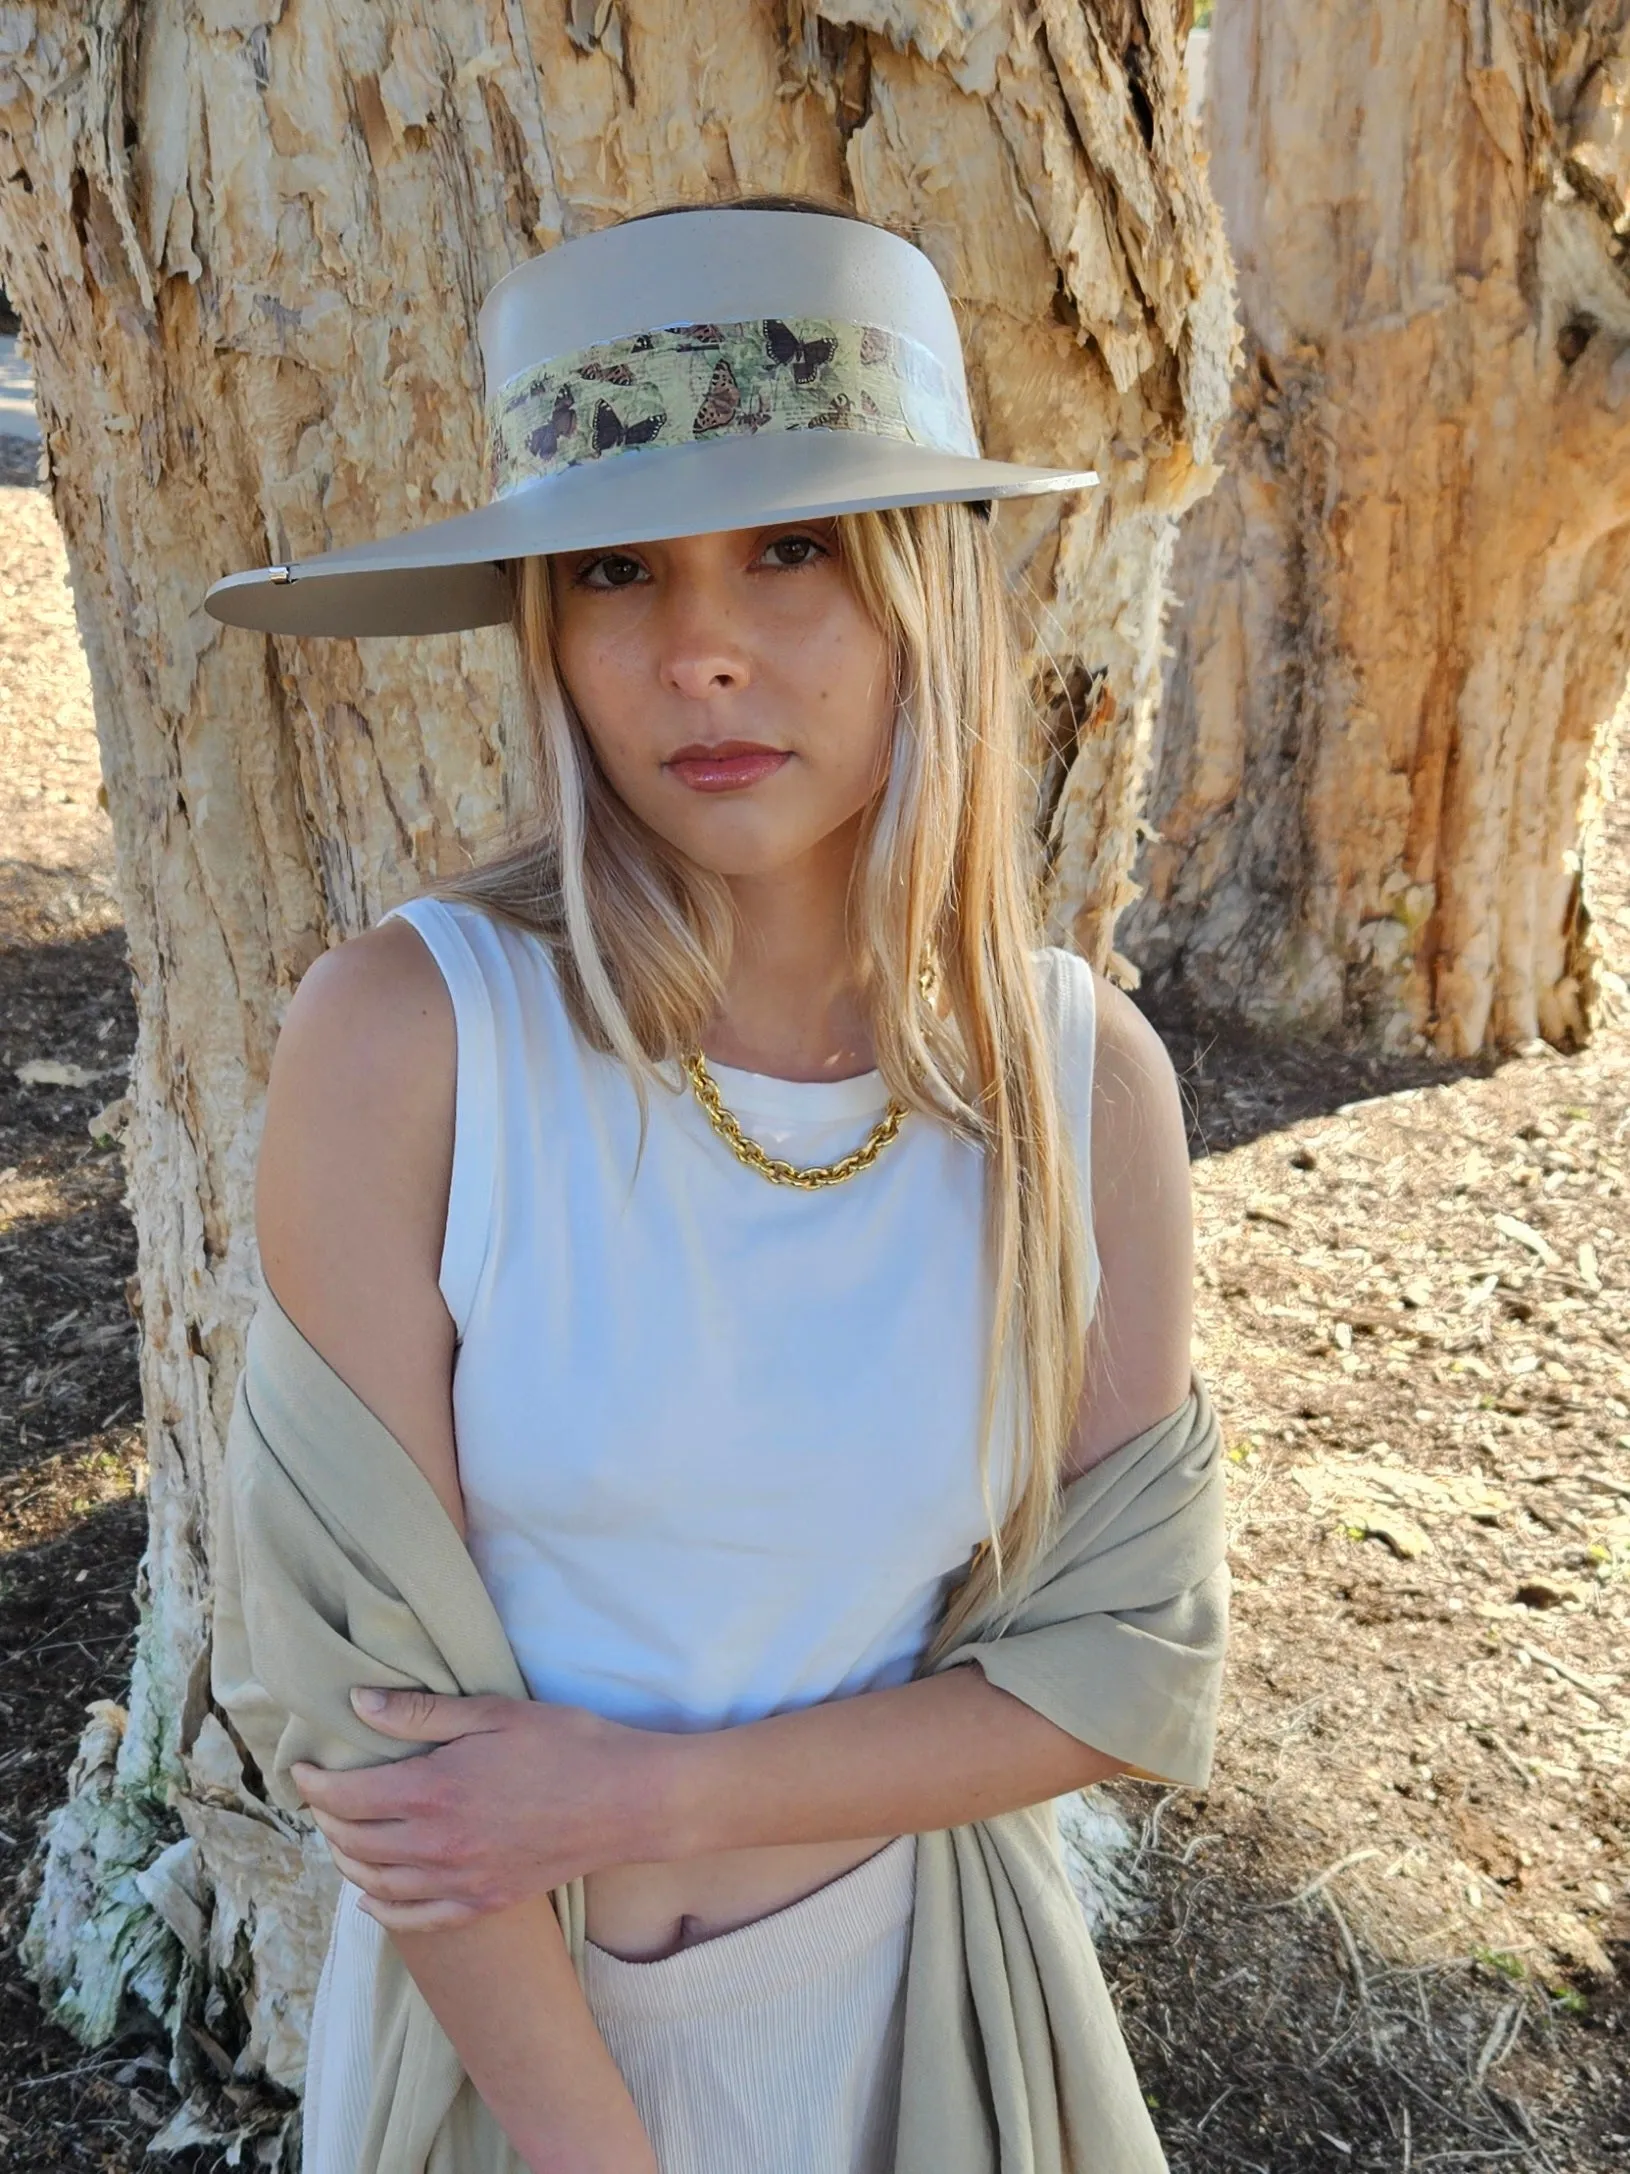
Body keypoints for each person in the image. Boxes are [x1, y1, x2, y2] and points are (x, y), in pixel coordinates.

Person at [204, 196, 1205, 2174]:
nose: (699, 651)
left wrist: (635, 1796)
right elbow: (367, 1715)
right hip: (510, 2065)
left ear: (923, 583)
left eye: (793, 547)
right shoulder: (408, 1043)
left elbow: (1114, 1669)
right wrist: (592, 2139)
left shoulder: (1074, 1086)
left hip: (925, 2029)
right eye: (610, 573)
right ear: (543, 628)